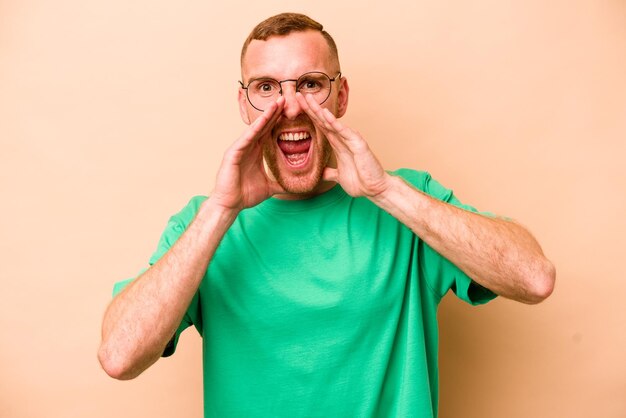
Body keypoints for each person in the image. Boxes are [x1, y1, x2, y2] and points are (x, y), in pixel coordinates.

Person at [98, 12, 555, 418]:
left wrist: (386, 191)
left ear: (341, 95)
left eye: (311, 83)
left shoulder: (409, 200)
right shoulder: (202, 223)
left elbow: (534, 278)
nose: (291, 106)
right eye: (266, 88)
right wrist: (221, 211)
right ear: (243, 103)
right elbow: (119, 356)